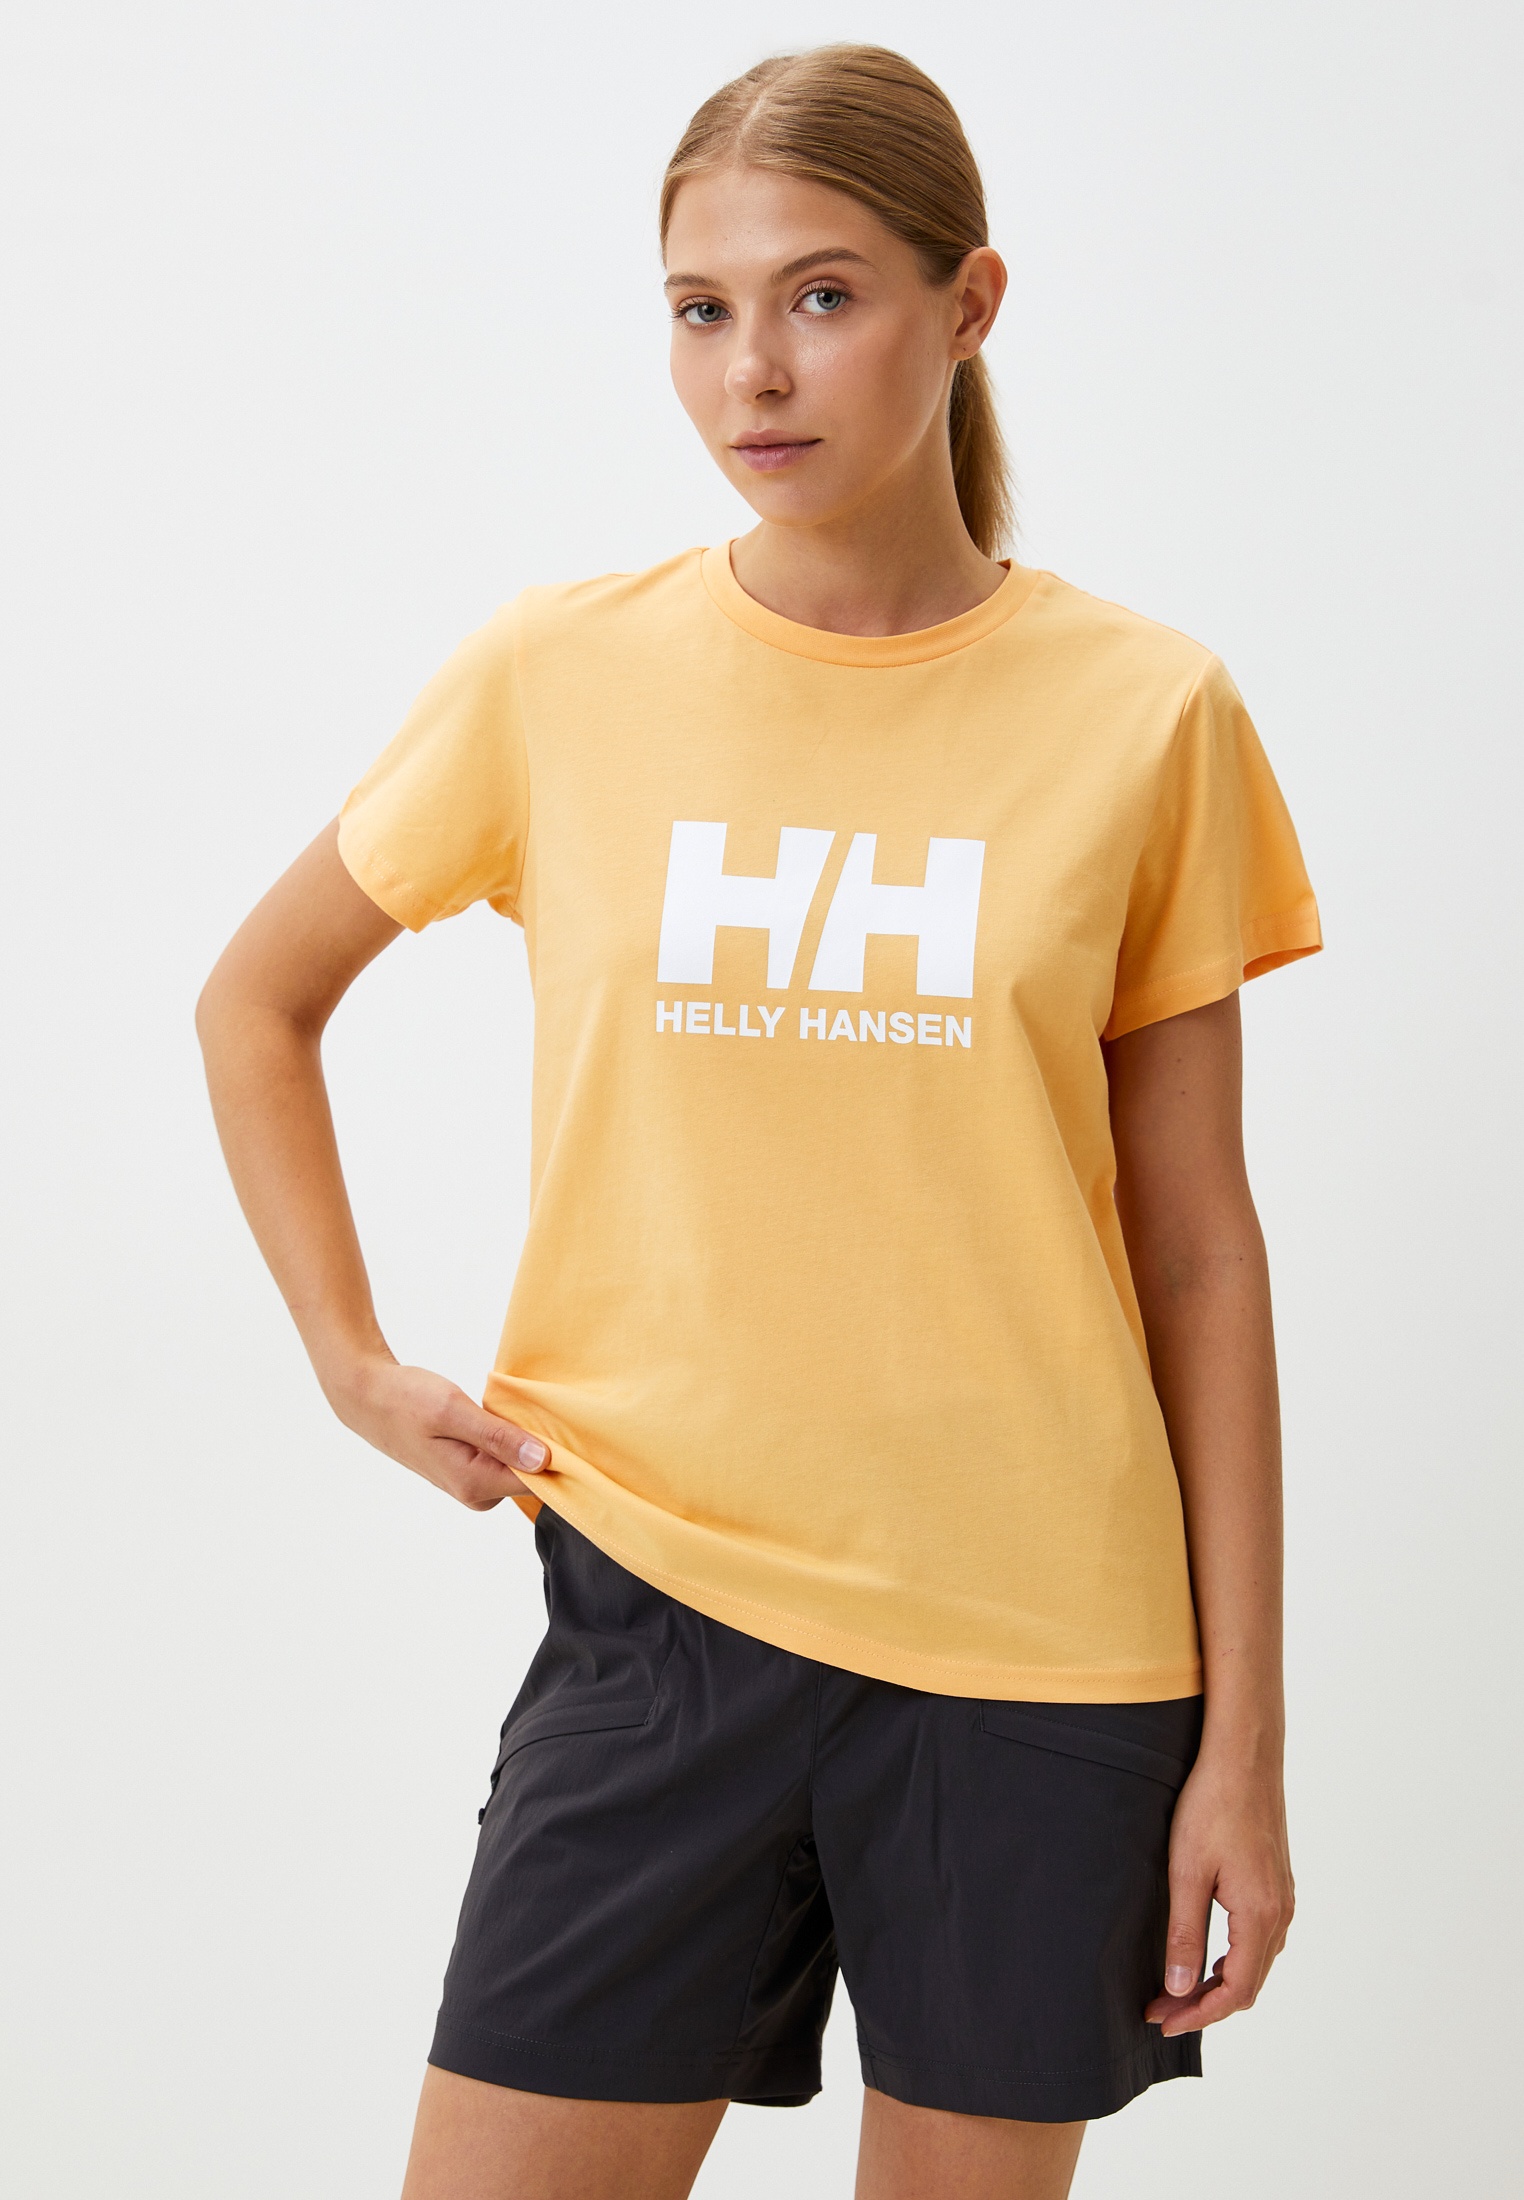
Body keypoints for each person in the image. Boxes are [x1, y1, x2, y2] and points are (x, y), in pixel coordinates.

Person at [197, 43, 1320, 2200]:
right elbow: (257, 999)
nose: (753, 373)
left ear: (968, 304)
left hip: (1039, 1657)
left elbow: (1201, 1248)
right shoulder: (558, 672)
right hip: (656, 1610)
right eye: (700, 310)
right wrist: (350, 1358)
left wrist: (1243, 1755)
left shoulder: (1146, 710)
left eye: (822, 296)